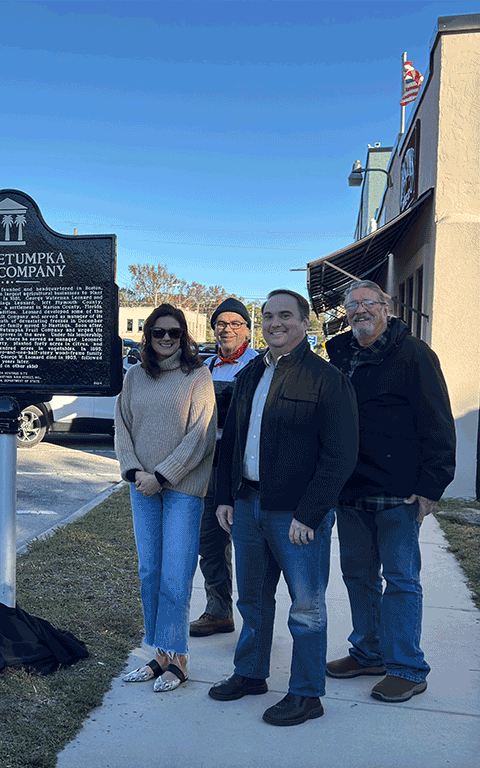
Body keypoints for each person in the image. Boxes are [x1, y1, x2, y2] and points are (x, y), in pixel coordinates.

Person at [210, 289, 358, 726]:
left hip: (295, 516)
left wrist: (309, 514)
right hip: (247, 505)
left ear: (304, 322)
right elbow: (231, 442)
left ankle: (307, 694)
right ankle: (251, 673)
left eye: (285, 316)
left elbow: (340, 455)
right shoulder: (251, 373)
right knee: (252, 601)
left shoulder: (327, 380)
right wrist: (225, 496)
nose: (275, 323)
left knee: (305, 609)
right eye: (268, 316)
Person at [324, 280, 455, 703]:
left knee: (400, 580)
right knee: (358, 576)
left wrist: (432, 485)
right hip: (350, 489)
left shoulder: (415, 354)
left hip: (398, 494)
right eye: (352, 305)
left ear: (386, 307)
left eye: (368, 303)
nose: (360, 310)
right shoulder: (339, 353)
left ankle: (407, 667)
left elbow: (438, 421)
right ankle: (368, 652)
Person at [114, 304, 216, 692]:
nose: (167, 339)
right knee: (149, 573)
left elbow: (201, 435)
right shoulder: (135, 377)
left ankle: (180, 660)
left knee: (175, 575)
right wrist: (136, 472)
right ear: (149, 336)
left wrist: (162, 475)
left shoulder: (198, 377)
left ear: (184, 335)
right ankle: (159, 655)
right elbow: (121, 426)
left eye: (174, 332)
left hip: (182, 492)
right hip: (142, 488)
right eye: (159, 333)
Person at [190, 297, 259, 638]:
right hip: (208, 464)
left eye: (235, 323)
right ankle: (218, 611)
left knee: (248, 543)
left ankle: (256, 623)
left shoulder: (259, 365)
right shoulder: (204, 368)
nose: (227, 329)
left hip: (243, 466)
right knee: (210, 542)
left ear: (247, 329)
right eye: (221, 323)